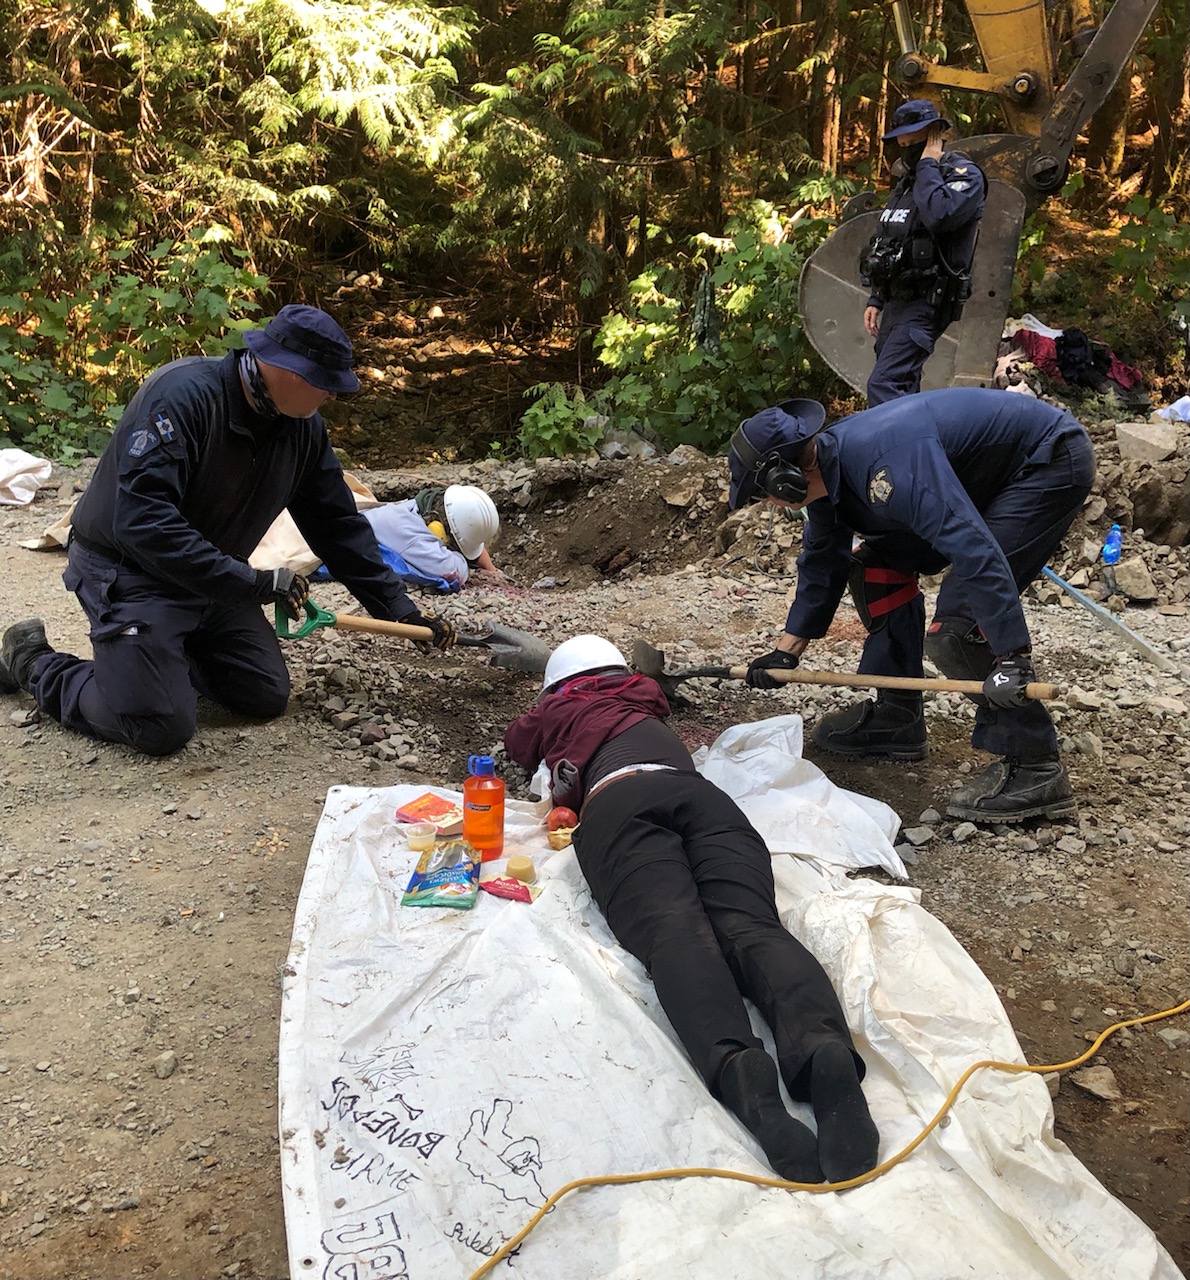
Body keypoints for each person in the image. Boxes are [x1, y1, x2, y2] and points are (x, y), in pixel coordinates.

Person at [504, 635, 881, 1185]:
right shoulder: (645, 695)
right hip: (702, 798)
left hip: (618, 802)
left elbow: (519, 743)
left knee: (676, 932)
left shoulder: (557, 708)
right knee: (752, 926)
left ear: (557, 686)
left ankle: (737, 1065)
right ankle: (824, 1049)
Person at [0, 305, 457, 756]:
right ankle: (35, 662)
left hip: (211, 579)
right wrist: (249, 581)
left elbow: (336, 525)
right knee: (159, 726)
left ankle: (156, 659)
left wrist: (401, 611)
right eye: (328, 385)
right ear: (291, 373)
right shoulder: (182, 399)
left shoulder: (301, 429)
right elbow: (144, 523)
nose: (333, 397)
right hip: (132, 573)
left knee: (262, 694)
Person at [728, 388, 1095, 823]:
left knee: (958, 628)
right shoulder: (832, 475)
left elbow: (973, 549)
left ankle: (1035, 766)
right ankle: (897, 715)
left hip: (1045, 461)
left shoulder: (889, 467)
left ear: (784, 477)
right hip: (985, 474)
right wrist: (786, 652)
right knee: (875, 569)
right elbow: (823, 561)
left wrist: (1013, 656)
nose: (769, 504)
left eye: (763, 493)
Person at [860, 99, 986, 405]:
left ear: (934, 137)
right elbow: (889, 239)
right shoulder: (908, 183)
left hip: (928, 300)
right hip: (897, 299)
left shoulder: (963, 176)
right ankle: (916, 434)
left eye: (915, 143)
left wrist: (929, 164)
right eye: (902, 145)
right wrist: (877, 297)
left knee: (885, 383)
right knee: (901, 387)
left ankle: (889, 437)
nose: (908, 152)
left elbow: (939, 215)